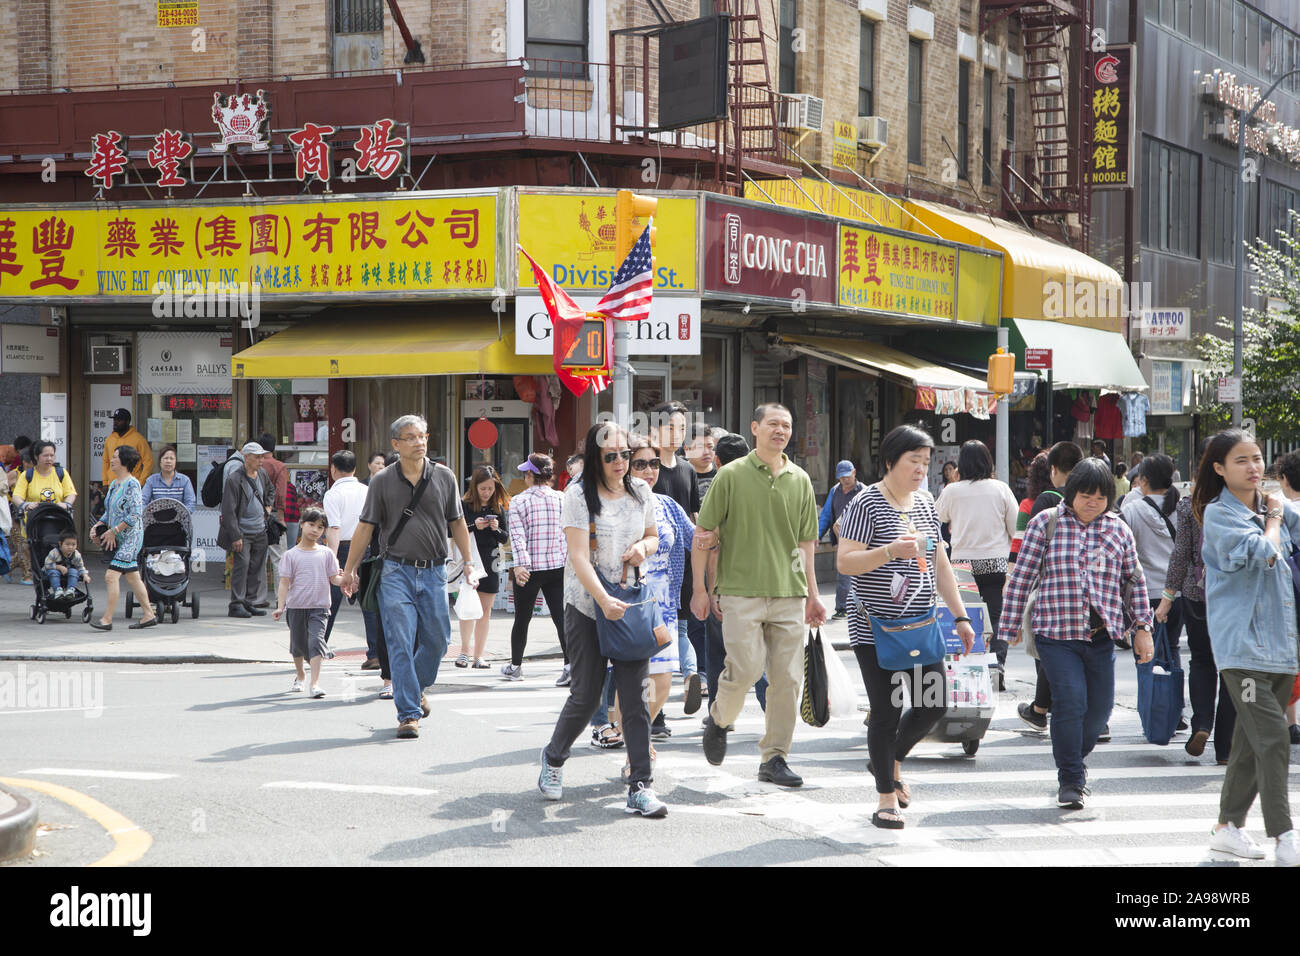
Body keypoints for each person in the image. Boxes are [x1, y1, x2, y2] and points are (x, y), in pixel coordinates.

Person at [837, 425, 977, 829]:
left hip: (920, 624)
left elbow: (940, 564)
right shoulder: (866, 503)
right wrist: (888, 552)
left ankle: (890, 759)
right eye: (912, 461)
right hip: (874, 627)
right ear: (890, 462)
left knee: (933, 703)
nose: (920, 469)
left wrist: (961, 616)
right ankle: (885, 797)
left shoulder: (926, 503)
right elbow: (846, 561)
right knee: (885, 710)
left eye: (925, 462)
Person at [1000, 458, 1154, 810]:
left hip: (1101, 636)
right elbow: (1022, 577)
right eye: (1086, 495)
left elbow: (1135, 581)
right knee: (1070, 702)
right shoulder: (1045, 524)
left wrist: (1142, 627)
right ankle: (1071, 778)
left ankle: (1073, 756)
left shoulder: (1118, 529)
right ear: (1071, 494)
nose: (1092, 503)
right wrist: (1007, 628)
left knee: (1099, 712)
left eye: (1101, 498)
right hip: (1055, 635)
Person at [690, 403, 826, 788]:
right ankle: (718, 719)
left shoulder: (800, 479)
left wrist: (813, 596)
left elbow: (806, 545)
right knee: (746, 669)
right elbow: (703, 535)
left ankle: (775, 757)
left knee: (787, 680)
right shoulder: (729, 476)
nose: (780, 430)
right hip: (739, 591)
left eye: (786, 425)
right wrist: (700, 589)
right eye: (773, 424)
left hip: (789, 594)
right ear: (755, 428)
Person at [538, 422, 668, 818]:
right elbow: (578, 556)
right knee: (588, 694)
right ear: (595, 457)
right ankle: (554, 758)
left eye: (625, 455)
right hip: (586, 605)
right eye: (611, 455)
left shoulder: (641, 491)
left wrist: (641, 549)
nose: (620, 462)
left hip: (629, 604)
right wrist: (602, 599)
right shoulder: (577, 494)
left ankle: (640, 786)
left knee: (635, 697)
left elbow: (654, 536)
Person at [1197, 430, 1300, 865]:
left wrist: (1277, 512)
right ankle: (1285, 835)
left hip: (1281, 646)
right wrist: (1274, 519)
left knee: (1248, 743)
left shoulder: (1274, 507)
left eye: (1257, 458)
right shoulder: (1218, 515)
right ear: (1219, 468)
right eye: (1241, 460)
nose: (1254, 467)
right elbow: (1264, 552)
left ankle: (1227, 828)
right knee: (1275, 737)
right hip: (1242, 650)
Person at [341, 415, 477, 740]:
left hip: (433, 572)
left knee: (438, 640)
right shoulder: (382, 481)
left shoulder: (444, 476)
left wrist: (469, 561)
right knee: (399, 642)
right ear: (396, 444)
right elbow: (365, 527)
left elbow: (457, 521)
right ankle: (408, 714)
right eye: (410, 437)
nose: (418, 441)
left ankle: (414, 689)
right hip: (395, 571)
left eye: (422, 436)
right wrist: (349, 569)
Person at [1157, 438, 1235, 762]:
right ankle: (1225, 748)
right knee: (1231, 667)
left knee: (1202, 660)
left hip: (1196, 592)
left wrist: (1166, 597)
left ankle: (1201, 722)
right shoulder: (1242, 500)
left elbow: (1181, 554)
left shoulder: (1191, 501)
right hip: (1233, 595)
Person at [1017, 440, 1084, 732]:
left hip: (1053, 589)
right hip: (1088, 590)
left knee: (1048, 647)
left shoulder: (1045, 500)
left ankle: (1042, 708)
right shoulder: (1092, 498)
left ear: (1053, 469)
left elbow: (1031, 552)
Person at [935, 440, 1019, 668]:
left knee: (965, 615)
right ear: (988, 462)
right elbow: (1016, 528)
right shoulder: (1001, 488)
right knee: (997, 616)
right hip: (996, 564)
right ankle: (997, 663)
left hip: (963, 565)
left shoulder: (951, 491)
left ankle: (969, 663)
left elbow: (935, 518)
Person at [649, 400, 703, 724]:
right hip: (651, 568)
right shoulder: (647, 465)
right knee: (661, 632)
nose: (677, 433)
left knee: (679, 627)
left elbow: (694, 519)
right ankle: (687, 676)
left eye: (682, 428)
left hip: (680, 565)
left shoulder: (687, 469)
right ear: (655, 428)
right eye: (671, 427)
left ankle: (689, 678)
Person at [505, 454, 568, 683]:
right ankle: (569, 666)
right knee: (561, 619)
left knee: (522, 619)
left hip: (529, 569)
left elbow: (518, 537)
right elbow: (566, 534)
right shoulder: (561, 498)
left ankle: (515, 666)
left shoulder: (519, 501)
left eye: (526, 473)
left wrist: (520, 564)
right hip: (557, 567)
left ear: (531, 475)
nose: (525, 476)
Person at [273, 506, 344, 699]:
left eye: (320, 527)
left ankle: (314, 683)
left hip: (320, 607)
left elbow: (334, 578)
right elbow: (284, 583)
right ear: (302, 524)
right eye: (311, 524)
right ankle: (300, 675)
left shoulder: (327, 553)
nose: (315, 530)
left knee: (316, 642)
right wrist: (281, 606)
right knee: (297, 646)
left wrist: (345, 580)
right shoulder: (290, 555)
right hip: (296, 606)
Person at [1120, 454, 1184, 662]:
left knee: (1146, 656)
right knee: (1171, 649)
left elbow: (1123, 553)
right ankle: (1172, 694)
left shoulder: (1131, 510)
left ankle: (1153, 695)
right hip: (1177, 594)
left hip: (1146, 595)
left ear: (1143, 480)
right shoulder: (1182, 508)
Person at [89, 445, 157, 631]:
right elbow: (109, 512)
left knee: (111, 576)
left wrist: (114, 531)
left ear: (125, 461)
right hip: (119, 537)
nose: (112, 459)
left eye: (116, 456)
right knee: (133, 577)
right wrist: (96, 526)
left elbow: (135, 514)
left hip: (131, 539)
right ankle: (149, 614)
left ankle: (107, 619)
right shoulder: (114, 484)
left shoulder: (132, 484)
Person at [457, 465, 508, 669]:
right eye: (483, 488)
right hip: (470, 560)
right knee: (468, 608)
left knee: (485, 611)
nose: (487, 493)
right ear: (475, 487)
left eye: (490, 488)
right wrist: (473, 526)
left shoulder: (497, 508)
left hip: (491, 560)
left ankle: (479, 655)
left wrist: (496, 529)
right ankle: (463, 652)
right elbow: (452, 532)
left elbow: (504, 538)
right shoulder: (464, 505)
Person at [321, 450, 370, 656]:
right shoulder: (367, 491)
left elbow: (334, 528)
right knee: (369, 602)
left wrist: (331, 558)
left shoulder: (333, 494)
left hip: (342, 548)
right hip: (367, 546)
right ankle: (375, 651)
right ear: (355, 469)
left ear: (333, 469)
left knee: (330, 601)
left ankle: (319, 645)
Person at [219, 441, 274, 619]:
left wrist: (268, 506)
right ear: (246, 457)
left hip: (260, 530)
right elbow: (228, 511)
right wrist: (236, 536)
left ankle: (250, 602)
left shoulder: (263, 474)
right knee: (241, 567)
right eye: (257, 457)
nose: (261, 460)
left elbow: (271, 491)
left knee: (256, 568)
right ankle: (236, 604)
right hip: (243, 532)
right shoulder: (235, 479)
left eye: (262, 456)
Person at [1269, 450, 1300, 745]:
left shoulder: (1281, 509)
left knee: (1288, 659)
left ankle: (1291, 722)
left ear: (1284, 478)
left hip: (1290, 596)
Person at [818, 460, 866, 621]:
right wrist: (816, 536)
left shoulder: (864, 492)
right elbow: (825, 516)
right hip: (843, 540)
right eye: (841, 477)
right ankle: (842, 608)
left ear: (854, 473)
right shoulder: (834, 491)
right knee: (843, 575)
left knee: (862, 577)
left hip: (863, 540)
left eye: (847, 476)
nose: (845, 480)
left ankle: (861, 609)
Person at [255, 434, 289, 608]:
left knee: (258, 557)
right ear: (274, 448)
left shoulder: (254, 464)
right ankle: (280, 597)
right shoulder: (279, 466)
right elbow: (281, 494)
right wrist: (281, 516)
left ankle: (257, 597)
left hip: (255, 515)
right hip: (274, 515)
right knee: (279, 558)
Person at [12, 439, 77, 511]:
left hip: (58, 517)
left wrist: (66, 504)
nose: (49, 458)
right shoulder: (27, 475)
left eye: (52, 455)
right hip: (34, 518)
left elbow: (71, 494)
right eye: (45, 455)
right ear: (36, 457)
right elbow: (16, 496)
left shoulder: (61, 472)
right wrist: (26, 505)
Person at [1010, 452, 1051, 564]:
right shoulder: (1066, 502)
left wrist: (1010, 573)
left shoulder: (1026, 505)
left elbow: (1018, 541)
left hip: (1033, 563)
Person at [101, 409, 153, 485]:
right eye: (114, 420)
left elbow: (149, 462)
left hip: (130, 485)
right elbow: (106, 461)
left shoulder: (138, 439)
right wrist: (105, 482)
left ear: (127, 422)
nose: (115, 423)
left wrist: (141, 482)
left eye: (119, 420)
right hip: (112, 485)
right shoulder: (109, 439)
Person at [141, 445, 196, 511]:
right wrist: (149, 514)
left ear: (175, 462)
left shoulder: (185, 480)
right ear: (160, 461)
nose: (168, 461)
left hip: (178, 519)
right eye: (166, 458)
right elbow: (142, 501)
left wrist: (181, 515)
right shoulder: (151, 480)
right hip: (156, 519)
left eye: (171, 458)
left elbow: (191, 503)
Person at [43, 531, 89, 600]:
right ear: (60, 543)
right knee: (53, 572)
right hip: (53, 570)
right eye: (67, 544)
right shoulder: (54, 552)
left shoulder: (76, 555)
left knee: (74, 571)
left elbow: (80, 566)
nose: (70, 547)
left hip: (68, 570)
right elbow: (47, 564)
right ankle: (58, 591)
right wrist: (58, 567)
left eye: (73, 545)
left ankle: (70, 591)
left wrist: (85, 575)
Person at [685, 423, 718, 498]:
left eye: (710, 446)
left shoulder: (721, 472)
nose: (706, 452)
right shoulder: (680, 474)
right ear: (687, 449)